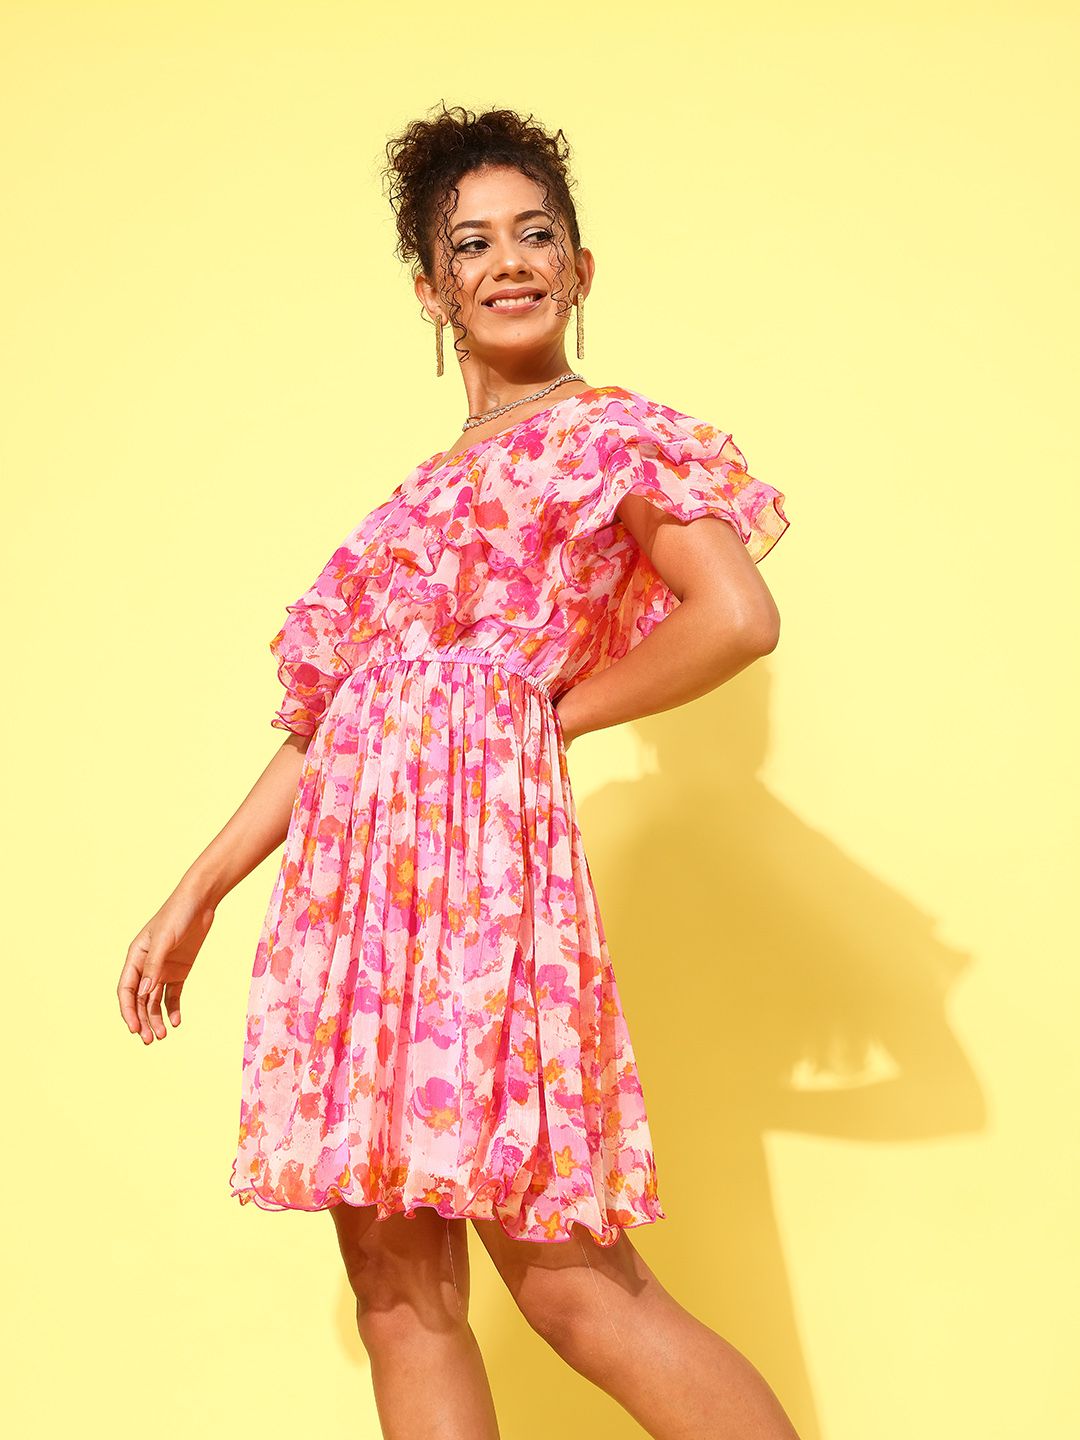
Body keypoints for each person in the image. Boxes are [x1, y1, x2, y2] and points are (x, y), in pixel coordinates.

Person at [117, 103, 798, 1440]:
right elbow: (325, 725)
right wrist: (195, 891)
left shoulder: (615, 438)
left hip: (483, 876)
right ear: (431, 292)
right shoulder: (408, 505)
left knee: (573, 1290)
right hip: (354, 902)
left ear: (580, 267)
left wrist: (546, 715)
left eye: (536, 235)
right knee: (396, 1293)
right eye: (472, 244)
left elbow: (737, 617)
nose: (509, 262)